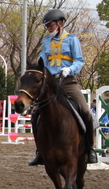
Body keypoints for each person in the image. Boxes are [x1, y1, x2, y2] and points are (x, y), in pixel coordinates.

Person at [28, 9, 98, 166]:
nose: (48, 28)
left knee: (86, 112)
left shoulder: (72, 39)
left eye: (50, 25)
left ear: (60, 24)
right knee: (35, 115)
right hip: (50, 83)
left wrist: (69, 69)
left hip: (67, 81)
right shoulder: (46, 42)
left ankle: (89, 149)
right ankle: (40, 152)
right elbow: (43, 61)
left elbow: (79, 61)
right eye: (47, 26)